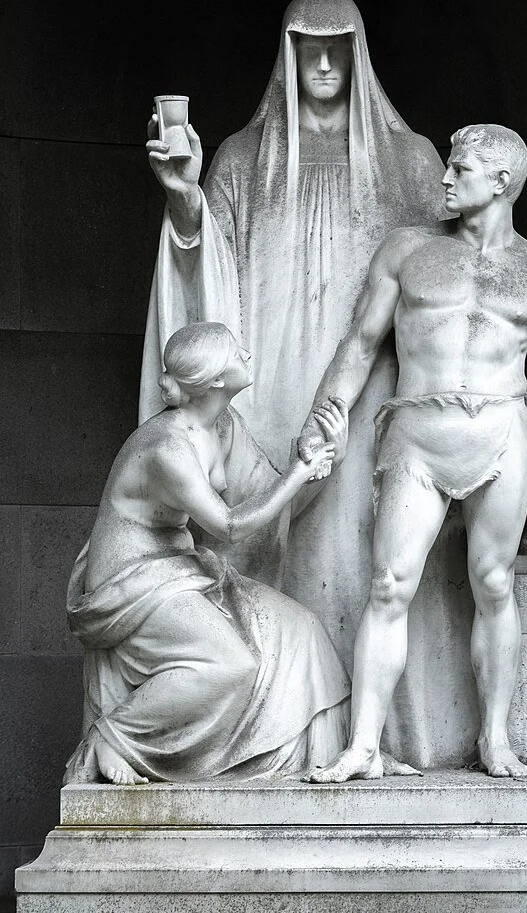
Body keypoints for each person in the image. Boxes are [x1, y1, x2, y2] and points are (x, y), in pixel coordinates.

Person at [141, 0, 447, 674]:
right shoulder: (245, 160)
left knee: (364, 543)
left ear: (359, 55)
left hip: (369, 382)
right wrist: (185, 197)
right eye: (310, 48)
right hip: (268, 378)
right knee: (268, 529)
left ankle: (369, 724)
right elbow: (206, 275)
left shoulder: (414, 162)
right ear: (288, 56)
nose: (326, 64)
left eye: (341, 49)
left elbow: (445, 289)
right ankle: (281, 707)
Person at [299, 124, 527, 782]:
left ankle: (495, 739)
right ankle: (364, 744)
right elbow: (362, 344)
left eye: (459, 170)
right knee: (389, 582)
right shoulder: (408, 253)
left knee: (493, 584)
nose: (446, 180)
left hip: (500, 438)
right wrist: (326, 411)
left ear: (500, 182)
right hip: (419, 436)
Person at [64, 322, 351, 785]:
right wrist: (299, 472)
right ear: (216, 379)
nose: (248, 356)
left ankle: (318, 761)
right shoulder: (167, 448)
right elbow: (231, 526)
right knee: (232, 665)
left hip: (181, 567)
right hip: (130, 583)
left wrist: (322, 455)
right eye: (238, 351)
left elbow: (269, 499)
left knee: (304, 628)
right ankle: (113, 735)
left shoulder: (223, 425)